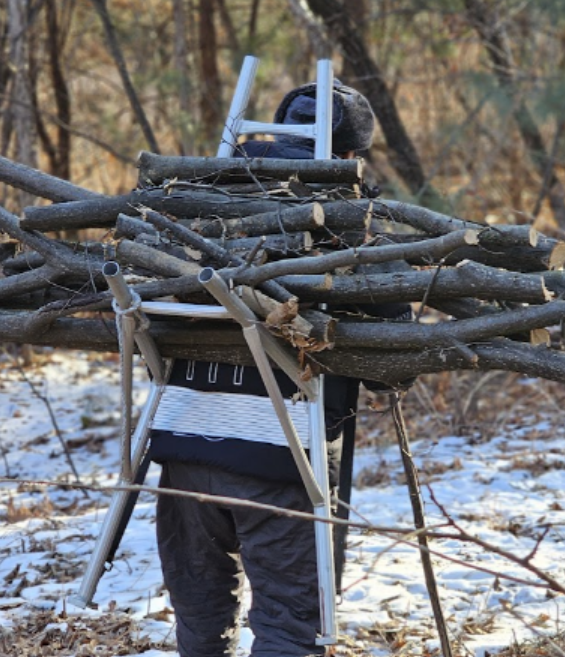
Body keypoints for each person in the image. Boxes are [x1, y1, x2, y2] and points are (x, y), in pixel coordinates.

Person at [148, 79, 411, 657]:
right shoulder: (349, 221)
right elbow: (393, 360)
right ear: (350, 154)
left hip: (183, 449)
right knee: (290, 630)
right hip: (282, 457)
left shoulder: (198, 201)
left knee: (200, 625)